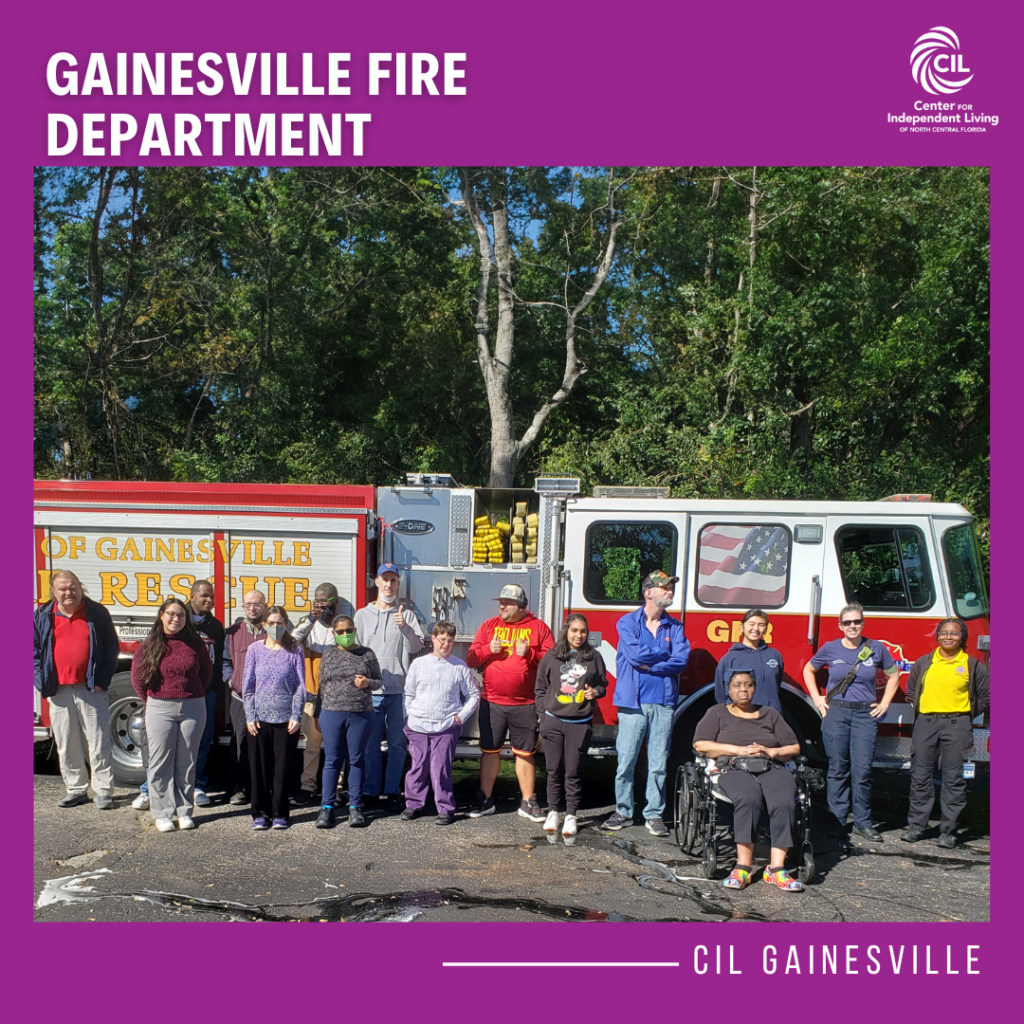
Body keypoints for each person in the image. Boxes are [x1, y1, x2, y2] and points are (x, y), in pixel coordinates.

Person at [694, 670, 804, 891]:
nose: (743, 690)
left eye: (748, 685)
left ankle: (776, 870)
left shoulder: (770, 714)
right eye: (737, 685)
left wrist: (771, 752)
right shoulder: (717, 713)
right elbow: (700, 745)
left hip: (769, 765)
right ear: (728, 689)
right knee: (748, 797)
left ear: (754, 688)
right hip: (732, 767)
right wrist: (737, 750)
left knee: (784, 799)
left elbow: (794, 747)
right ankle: (743, 867)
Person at [803, 602, 900, 842]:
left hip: (864, 716)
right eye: (847, 622)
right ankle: (837, 821)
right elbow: (808, 669)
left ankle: (863, 822)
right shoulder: (830, 648)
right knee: (837, 769)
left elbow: (894, 674)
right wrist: (817, 697)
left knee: (863, 770)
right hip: (836, 714)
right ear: (840, 626)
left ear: (863, 623)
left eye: (857, 621)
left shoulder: (876, 648)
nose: (852, 626)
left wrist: (885, 703)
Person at [604, 570, 690, 837]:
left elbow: (681, 660)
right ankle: (623, 811)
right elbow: (633, 653)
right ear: (649, 592)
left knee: (658, 762)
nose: (670, 592)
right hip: (632, 702)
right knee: (625, 761)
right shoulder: (627, 623)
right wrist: (663, 657)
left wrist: (649, 665)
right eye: (664, 587)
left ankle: (654, 815)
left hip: (663, 703)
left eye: (671, 588)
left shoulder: (675, 627)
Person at [466, 583, 555, 820]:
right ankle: (485, 800)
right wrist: (488, 650)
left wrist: (531, 654)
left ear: (522, 606)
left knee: (525, 753)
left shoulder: (538, 628)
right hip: (492, 702)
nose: (502, 606)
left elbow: (553, 663)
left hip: (525, 703)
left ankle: (527, 802)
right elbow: (471, 658)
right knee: (489, 751)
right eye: (500, 602)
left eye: (508, 602)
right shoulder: (489, 626)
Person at [33, 570, 120, 809]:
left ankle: (103, 790)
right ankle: (76, 789)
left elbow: (112, 647)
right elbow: (33, 651)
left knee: (98, 739)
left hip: (90, 688)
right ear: (54, 591)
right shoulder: (42, 615)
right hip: (58, 689)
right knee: (66, 741)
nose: (68, 593)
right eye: (62, 589)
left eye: (72, 587)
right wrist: (41, 681)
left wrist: (102, 679)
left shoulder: (96, 612)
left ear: (80, 588)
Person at [902, 617, 990, 848]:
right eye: (944, 633)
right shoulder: (925, 662)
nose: (948, 637)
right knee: (920, 775)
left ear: (963, 638)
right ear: (938, 636)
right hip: (926, 723)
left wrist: (963, 716)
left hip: (957, 724)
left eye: (954, 633)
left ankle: (948, 831)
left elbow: (984, 697)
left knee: (954, 778)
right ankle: (916, 827)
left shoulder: (972, 665)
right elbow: (911, 690)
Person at [131, 598, 213, 831]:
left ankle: (185, 811)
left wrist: (191, 694)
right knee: (160, 762)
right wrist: (154, 700)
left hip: (192, 706)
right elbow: (137, 677)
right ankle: (162, 813)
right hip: (159, 707)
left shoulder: (195, 644)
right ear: (161, 615)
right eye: (171, 614)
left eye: (181, 615)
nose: (175, 619)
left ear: (186, 619)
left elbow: (206, 675)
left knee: (187, 761)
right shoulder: (150, 644)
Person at [354, 563, 424, 810]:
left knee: (397, 744)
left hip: (398, 692)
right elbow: (356, 651)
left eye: (393, 580)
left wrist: (404, 627)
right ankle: (371, 790)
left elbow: (416, 648)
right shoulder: (362, 615)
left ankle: (393, 790)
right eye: (385, 579)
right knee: (370, 745)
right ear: (376, 582)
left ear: (397, 584)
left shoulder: (407, 615)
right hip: (370, 693)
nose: (389, 585)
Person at [534, 614, 607, 838]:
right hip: (553, 723)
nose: (579, 635)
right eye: (574, 630)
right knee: (554, 769)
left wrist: (595, 692)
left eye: (583, 631)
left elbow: (602, 685)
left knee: (573, 771)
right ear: (566, 631)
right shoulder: (553, 656)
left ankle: (572, 815)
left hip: (579, 724)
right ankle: (554, 811)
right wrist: (543, 717)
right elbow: (540, 688)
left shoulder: (593, 657)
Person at [400, 621, 479, 825]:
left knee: (440, 767)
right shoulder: (419, 664)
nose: (446, 644)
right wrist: (408, 715)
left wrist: (460, 717)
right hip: (418, 725)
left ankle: (445, 807)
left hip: (445, 725)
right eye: (442, 639)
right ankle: (413, 804)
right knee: (418, 765)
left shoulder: (459, 666)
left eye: (450, 641)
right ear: (433, 639)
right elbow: (408, 693)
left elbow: (473, 695)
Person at [313, 615, 381, 829]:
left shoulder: (367, 654)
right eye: (340, 632)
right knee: (332, 760)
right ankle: (327, 808)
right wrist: (317, 713)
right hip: (332, 713)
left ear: (355, 630)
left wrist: (368, 682)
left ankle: (355, 807)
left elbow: (379, 681)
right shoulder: (329, 654)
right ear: (334, 634)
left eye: (348, 630)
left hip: (360, 714)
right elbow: (321, 685)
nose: (345, 634)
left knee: (357, 760)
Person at [242, 606, 306, 830]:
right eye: (271, 623)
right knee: (259, 769)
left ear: (286, 624)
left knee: (282, 769)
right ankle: (260, 812)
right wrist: (250, 716)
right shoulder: (254, 650)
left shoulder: (295, 649)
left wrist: (296, 715)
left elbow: (300, 686)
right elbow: (248, 686)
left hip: (285, 720)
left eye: (280, 623)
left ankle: (280, 812)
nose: (275, 628)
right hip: (259, 720)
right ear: (264, 625)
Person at [290, 583, 339, 805]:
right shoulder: (309, 625)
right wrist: (311, 618)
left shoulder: (343, 625)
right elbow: (292, 638)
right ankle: (307, 785)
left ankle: (338, 788)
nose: (321, 605)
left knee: (336, 745)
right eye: (317, 600)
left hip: (336, 697)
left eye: (325, 600)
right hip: (312, 695)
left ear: (335, 602)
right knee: (311, 745)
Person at [222, 590, 267, 805]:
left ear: (265, 606)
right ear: (243, 607)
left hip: (267, 700)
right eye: (248, 604)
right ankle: (239, 788)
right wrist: (231, 680)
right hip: (240, 699)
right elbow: (225, 661)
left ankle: (261, 788)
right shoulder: (232, 633)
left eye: (257, 604)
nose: (253, 608)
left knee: (263, 744)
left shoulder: (272, 632)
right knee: (240, 743)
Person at [188, 580, 225, 807]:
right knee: (174, 740)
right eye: (204, 596)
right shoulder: (177, 618)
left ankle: (197, 784)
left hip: (206, 691)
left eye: (211, 596)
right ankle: (156, 787)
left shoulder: (215, 625)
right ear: (192, 596)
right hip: (181, 692)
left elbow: (219, 659)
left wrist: (214, 688)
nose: (209, 600)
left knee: (203, 739)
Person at [714, 609, 784, 714]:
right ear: (742, 627)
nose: (755, 629)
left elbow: (776, 685)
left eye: (761, 625)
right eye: (751, 624)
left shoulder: (775, 656)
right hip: (740, 719)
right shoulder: (729, 659)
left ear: (765, 629)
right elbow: (720, 694)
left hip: (771, 716)